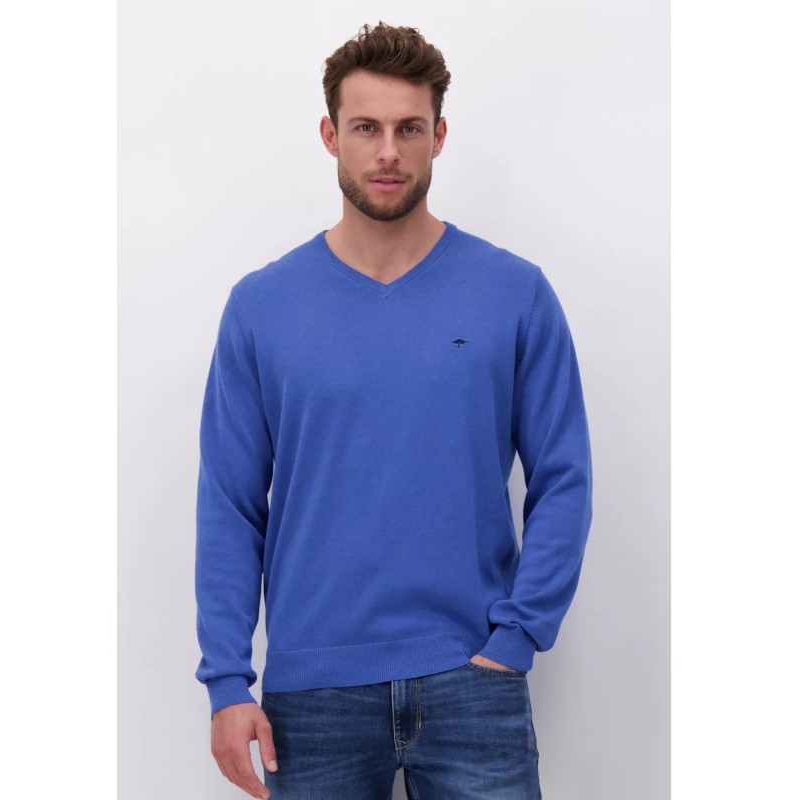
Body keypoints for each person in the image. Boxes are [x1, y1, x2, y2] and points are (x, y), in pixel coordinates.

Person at [194, 21, 593, 800]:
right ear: (330, 136)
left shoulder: (514, 294)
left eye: (409, 129)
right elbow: (230, 506)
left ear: (438, 136)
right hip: (314, 695)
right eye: (366, 128)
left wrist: (517, 636)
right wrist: (227, 682)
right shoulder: (261, 307)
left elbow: (564, 477)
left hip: (473, 681)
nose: (388, 152)